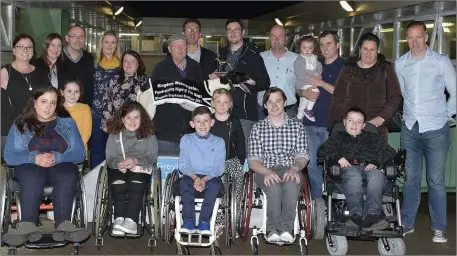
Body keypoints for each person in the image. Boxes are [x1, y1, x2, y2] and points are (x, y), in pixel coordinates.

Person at [2, 86, 90, 246]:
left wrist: (57, 157)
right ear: (34, 102)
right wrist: (34, 158)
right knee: (32, 174)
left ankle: (64, 225)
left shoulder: (68, 124)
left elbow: (79, 153)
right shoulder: (20, 124)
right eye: (43, 101)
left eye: (53, 103)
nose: (48, 107)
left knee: (68, 173)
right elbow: (9, 156)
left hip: (61, 164)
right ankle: (27, 225)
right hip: (30, 166)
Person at [395, 21, 456, 243]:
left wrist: (445, 116)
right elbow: (403, 92)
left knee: (436, 181)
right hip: (410, 128)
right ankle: (407, 223)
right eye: (410, 38)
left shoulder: (440, 62)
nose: (414, 42)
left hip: (436, 130)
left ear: (426, 37)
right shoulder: (401, 64)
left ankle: (439, 228)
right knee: (410, 179)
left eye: (418, 37)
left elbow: (455, 92)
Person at [317, 108, 396, 231]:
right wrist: (338, 157)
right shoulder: (338, 137)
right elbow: (322, 151)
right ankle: (356, 215)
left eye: (359, 122)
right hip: (348, 167)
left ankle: (372, 215)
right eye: (351, 120)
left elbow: (390, 152)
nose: (354, 124)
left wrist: (377, 161)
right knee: (354, 176)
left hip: (370, 166)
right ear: (344, 122)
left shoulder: (373, 138)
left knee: (377, 176)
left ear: (364, 125)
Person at [248, 87, 309, 244]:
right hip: (265, 169)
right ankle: (272, 228)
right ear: (265, 106)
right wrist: (267, 171)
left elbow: (303, 156)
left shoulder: (297, 126)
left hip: (291, 167)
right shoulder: (258, 128)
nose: (274, 106)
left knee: (291, 184)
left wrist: (295, 168)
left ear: (285, 103)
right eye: (270, 102)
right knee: (274, 186)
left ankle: (288, 229)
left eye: (278, 101)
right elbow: (253, 161)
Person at [295, 31, 345, 199]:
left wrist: (320, 83)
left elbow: (343, 93)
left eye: (329, 43)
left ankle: (333, 202)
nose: (325, 47)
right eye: (322, 44)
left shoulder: (344, 67)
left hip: (331, 125)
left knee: (333, 165)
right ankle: (317, 204)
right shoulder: (315, 63)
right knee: (312, 167)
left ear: (337, 45)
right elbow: (298, 86)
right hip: (309, 125)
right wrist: (303, 93)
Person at [328, 32, 402, 143]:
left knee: (375, 160)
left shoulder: (385, 69)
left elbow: (395, 97)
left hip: (377, 130)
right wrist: (333, 127)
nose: (368, 53)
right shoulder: (348, 69)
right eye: (365, 49)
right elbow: (338, 98)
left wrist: (381, 118)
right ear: (360, 49)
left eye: (372, 49)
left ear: (377, 50)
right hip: (350, 130)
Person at [211, 18, 270, 149]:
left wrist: (246, 82)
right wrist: (216, 78)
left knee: (243, 155)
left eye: (236, 30)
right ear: (226, 33)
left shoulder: (253, 55)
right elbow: (222, 81)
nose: (233, 33)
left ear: (242, 32)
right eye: (230, 30)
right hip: (223, 113)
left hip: (245, 115)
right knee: (222, 152)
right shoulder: (221, 55)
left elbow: (265, 83)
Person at [105, 101, 159, 235]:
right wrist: (118, 163)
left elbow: (152, 157)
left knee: (136, 183)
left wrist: (136, 160)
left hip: (140, 168)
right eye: (128, 118)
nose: (132, 121)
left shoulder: (149, 135)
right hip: (119, 168)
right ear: (122, 119)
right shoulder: (114, 136)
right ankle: (118, 219)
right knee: (119, 183)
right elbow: (110, 158)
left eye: (136, 117)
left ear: (142, 118)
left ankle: (131, 221)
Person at [150, 33, 203, 153]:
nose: (180, 49)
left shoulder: (195, 67)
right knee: (166, 167)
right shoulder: (160, 68)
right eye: (176, 46)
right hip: (166, 131)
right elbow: (154, 97)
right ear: (169, 49)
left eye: (183, 46)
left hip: (191, 130)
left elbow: (200, 95)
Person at [178, 106, 225, 235]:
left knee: (215, 184)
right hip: (191, 175)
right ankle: (188, 221)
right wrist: (195, 178)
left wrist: (204, 179)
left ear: (212, 123)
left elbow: (219, 168)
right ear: (192, 124)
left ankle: (204, 221)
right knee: (184, 183)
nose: (202, 124)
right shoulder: (186, 139)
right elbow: (183, 164)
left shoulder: (219, 142)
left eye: (206, 120)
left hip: (210, 177)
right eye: (198, 121)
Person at [1, 34, 51, 151]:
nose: (25, 49)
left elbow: (50, 97)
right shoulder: (4, 72)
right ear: (14, 50)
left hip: (36, 129)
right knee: (14, 167)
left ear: (33, 51)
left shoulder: (41, 73)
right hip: (10, 131)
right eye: (20, 46)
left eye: (29, 47)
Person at [210, 88, 245, 235]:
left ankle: (234, 222)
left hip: (232, 161)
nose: (222, 105)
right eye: (218, 102)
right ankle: (219, 223)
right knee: (220, 188)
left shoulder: (234, 121)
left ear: (230, 104)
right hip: (214, 164)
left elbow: (240, 143)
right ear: (213, 103)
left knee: (238, 183)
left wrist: (240, 161)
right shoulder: (208, 120)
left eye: (226, 102)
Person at [90, 30, 121, 169]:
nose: (109, 45)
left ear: (117, 45)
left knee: (115, 151)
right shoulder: (93, 64)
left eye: (113, 42)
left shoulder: (122, 66)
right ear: (101, 44)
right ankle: (96, 180)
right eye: (106, 42)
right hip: (96, 114)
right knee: (97, 150)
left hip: (117, 115)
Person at [101, 50, 148, 131]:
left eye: (132, 61)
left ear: (138, 64)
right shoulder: (114, 81)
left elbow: (149, 107)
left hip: (138, 127)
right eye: (126, 61)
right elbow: (106, 102)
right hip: (117, 127)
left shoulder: (146, 82)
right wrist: (109, 126)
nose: (128, 64)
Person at [259, 25, 298, 119]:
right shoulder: (259, 58)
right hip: (263, 111)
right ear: (269, 38)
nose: (276, 40)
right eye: (273, 36)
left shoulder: (297, 59)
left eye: (280, 36)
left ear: (286, 39)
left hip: (289, 111)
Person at [62, 25, 94, 106]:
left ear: (85, 39)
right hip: (62, 110)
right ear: (67, 38)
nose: (78, 40)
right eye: (74, 36)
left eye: (81, 36)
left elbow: (89, 86)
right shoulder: (58, 57)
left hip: (83, 109)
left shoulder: (89, 58)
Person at [60, 78, 92, 158]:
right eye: (69, 91)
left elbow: (87, 132)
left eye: (76, 91)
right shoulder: (57, 109)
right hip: (60, 151)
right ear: (62, 92)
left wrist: (75, 148)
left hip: (79, 150)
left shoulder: (85, 108)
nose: (73, 94)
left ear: (80, 93)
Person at [295, 35, 323, 122]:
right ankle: (309, 110)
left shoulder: (313, 58)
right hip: (303, 82)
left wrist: (318, 74)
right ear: (300, 48)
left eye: (310, 48)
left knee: (304, 99)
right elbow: (300, 73)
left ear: (313, 49)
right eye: (304, 48)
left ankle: (299, 115)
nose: (307, 50)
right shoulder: (299, 59)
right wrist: (314, 76)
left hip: (310, 82)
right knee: (315, 91)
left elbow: (319, 66)